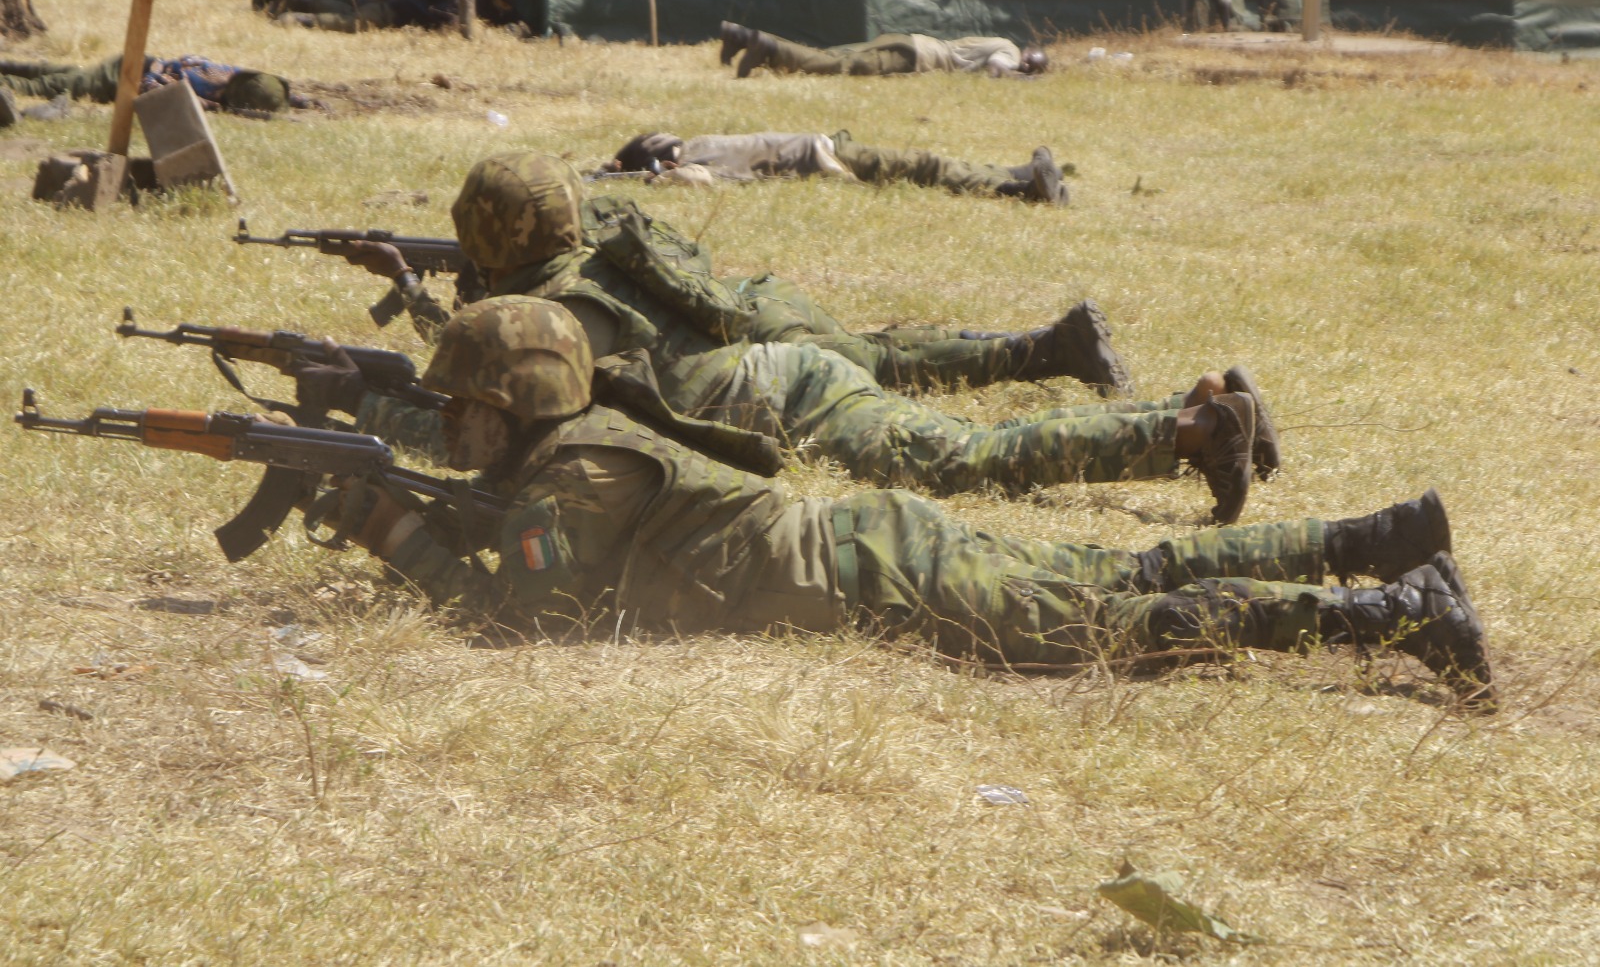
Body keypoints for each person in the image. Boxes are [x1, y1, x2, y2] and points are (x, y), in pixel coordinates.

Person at [324, 295, 1494, 709]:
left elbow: (522, 624)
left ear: (511, 404)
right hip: (877, 551)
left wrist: (395, 535)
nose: (448, 428)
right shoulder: (569, 450)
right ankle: (1377, 542)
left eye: (460, 410)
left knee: (1124, 620)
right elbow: (538, 553)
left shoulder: (575, 468)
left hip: (883, 570)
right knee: (1123, 582)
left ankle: (1393, 607)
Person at [312, 154, 1280, 523]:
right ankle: (1201, 404)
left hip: (789, 394)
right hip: (780, 376)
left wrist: (370, 387)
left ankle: (1193, 432)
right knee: (965, 452)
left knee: (972, 462)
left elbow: (482, 414)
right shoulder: (595, 256)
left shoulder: (556, 317)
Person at [609, 131, 1069, 205]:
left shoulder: (699, 152)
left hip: (826, 149)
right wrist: (652, 179)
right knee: (922, 169)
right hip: (825, 157)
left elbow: (690, 177)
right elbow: (690, 181)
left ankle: (1019, 176)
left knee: (924, 165)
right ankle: (1023, 188)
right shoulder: (696, 161)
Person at [718, 22, 1049, 79]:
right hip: (914, 57)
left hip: (910, 41)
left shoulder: (1003, 42)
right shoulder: (1008, 51)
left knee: (831, 53)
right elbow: (996, 69)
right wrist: (1019, 77)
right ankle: (767, 48)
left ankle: (742, 36)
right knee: (834, 66)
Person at [0, 54, 302, 114]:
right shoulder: (206, 86)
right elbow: (148, 85)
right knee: (39, 86)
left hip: (128, 63)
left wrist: (302, 101)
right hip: (119, 79)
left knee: (51, 71)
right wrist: (197, 103)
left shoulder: (230, 74)